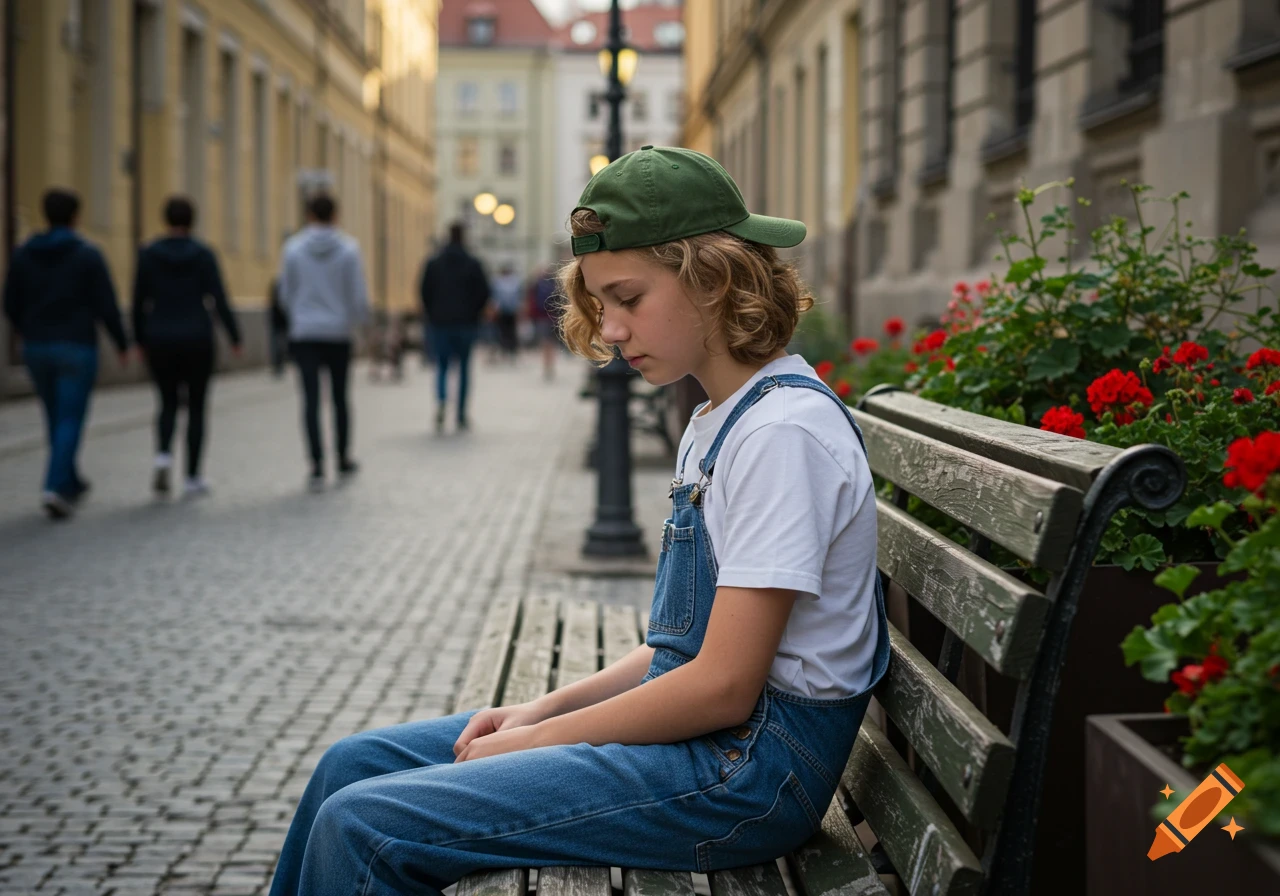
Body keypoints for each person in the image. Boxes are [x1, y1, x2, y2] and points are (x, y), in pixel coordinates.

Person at [266, 145, 889, 896]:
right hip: (714, 743)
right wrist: (543, 707)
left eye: (629, 298)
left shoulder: (781, 435)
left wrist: (541, 741)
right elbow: (683, 648)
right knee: (351, 765)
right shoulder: (720, 419)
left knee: (362, 824)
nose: (613, 330)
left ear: (714, 278)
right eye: (600, 303)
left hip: (746, 775)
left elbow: (723, 684)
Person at [2, 187, 130, 519]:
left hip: (37, 347)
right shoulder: (87, 254)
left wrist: (25, 328)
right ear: (76, 216)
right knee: (70, 417)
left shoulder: (23, 254)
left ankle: (70, 479)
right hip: (76, 346)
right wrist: (122, 343)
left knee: (54, 415)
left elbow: (9, 301)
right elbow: (106, 304)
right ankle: (55, 486)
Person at [132, 196, 243, 499]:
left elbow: (139, 299)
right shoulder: (203, 255)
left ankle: (163, 457)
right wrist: (234, 336)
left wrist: (138, 339)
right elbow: (219, 297)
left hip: (160, 337)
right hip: (197, 338)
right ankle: (193, 476)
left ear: (165, 220)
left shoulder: (149, 255)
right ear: (192, 221)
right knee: (196, 407)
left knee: (166, 402)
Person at [278, 194, 370, 491]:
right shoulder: (349, 250)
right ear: (336, 215)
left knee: (311, 400)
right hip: (338, 333)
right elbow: (357, 294)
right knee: (341, 398)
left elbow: (284, 292)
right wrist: (359, 323)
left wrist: (299, 316)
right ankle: (343, 457)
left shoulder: (292, 249)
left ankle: (316, 464)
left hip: (305, 333)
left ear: (308, 214)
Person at [418, 222, 490, 432]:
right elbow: (484, 292)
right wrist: (475, 313)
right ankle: (460, 413)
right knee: (464, 368)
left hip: (440, 322)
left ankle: (441, 400)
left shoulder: (434, 263)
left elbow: (424, 291)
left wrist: (432, 313)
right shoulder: (473, 263)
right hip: (466, 323)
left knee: (441, 365)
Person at [527, 262, 561, 380]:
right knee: (551, 344)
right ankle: (550, 365)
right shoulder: (555, 284)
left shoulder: (536, 284)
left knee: (545, 343)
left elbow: (531, 302)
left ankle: (546, 366)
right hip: (553, 317)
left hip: (541, 318)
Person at [490, 262, 523, 362]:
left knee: (507, 332)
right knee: (507, 332)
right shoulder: (513, 281)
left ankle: (508, 350)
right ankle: (508, 351)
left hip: (505, 310)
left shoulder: (498, 281)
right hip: (505, 311)